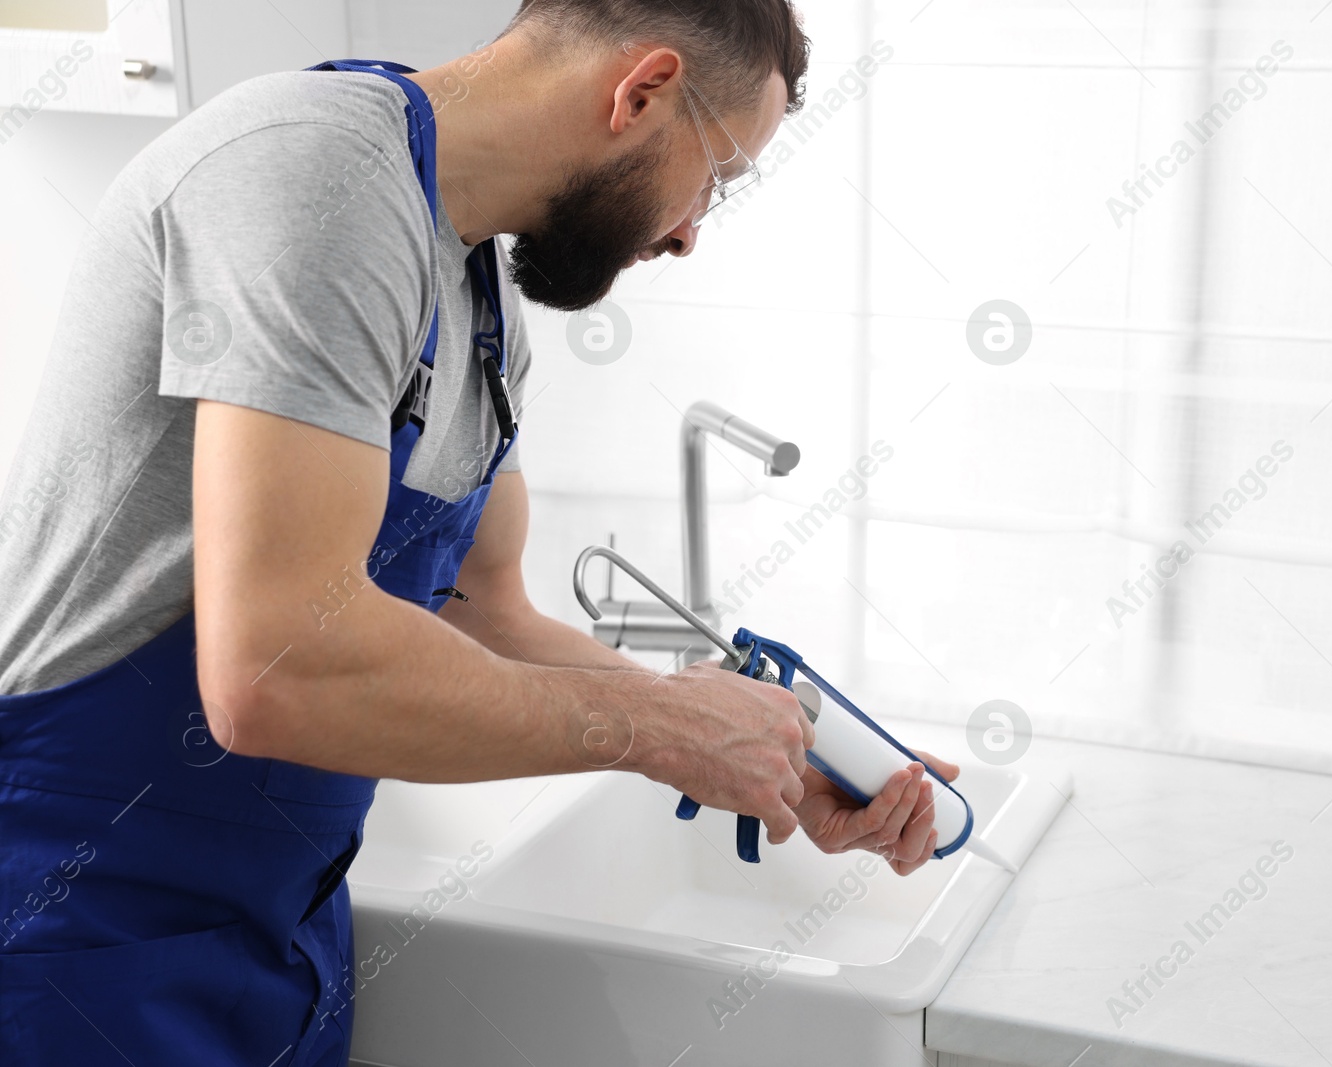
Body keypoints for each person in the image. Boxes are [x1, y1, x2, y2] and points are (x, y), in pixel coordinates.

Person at [0, 1, 959, 1063]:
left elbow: (486, 609)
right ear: (639, 92)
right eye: (718, 175)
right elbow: (274, 668)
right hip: (74, 920)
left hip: (273, 932)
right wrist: (663, 728)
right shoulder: (315, 180)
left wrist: (764, 751)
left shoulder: (479, 299)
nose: (690, 231)